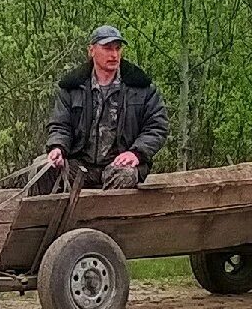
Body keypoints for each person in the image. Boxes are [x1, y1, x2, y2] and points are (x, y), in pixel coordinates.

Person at [34, 25, 169, 194]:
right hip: (80, 164)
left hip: (118, 165)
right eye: (107, 48)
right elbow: (61, 126)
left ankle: (106, 220)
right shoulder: (72, 87)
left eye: (117, 49)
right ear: (91, 50)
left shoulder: (141, 88)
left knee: (124, 176)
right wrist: (58, 149)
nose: (114, 55)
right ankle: (44, 220)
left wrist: (136, 153)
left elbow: (157, 127)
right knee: (42, 168)